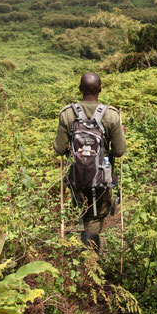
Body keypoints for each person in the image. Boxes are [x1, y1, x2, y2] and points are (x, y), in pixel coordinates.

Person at [53, 72, 126, 251]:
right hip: (101, 178)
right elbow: (119, 150)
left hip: (76, 177)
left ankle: (79, 254)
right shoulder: (111, 115)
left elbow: (59, 149)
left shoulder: (67, 114)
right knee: (95, 217)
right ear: (100, 90)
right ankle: (90, 259)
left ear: (80, 89)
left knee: (82, 209)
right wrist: (121, 132)